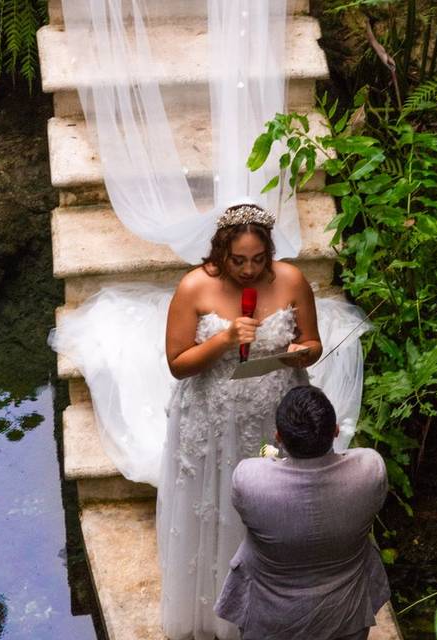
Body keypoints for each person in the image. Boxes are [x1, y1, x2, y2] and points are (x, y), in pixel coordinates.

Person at [158, 202, 323, 640]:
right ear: (220, 253)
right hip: (214, 413)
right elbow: (177, 363)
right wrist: (225, 338)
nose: (249, 269)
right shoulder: (194, 287)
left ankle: (280, 602)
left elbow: (313, 341)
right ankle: (221, 611)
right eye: (238, 260)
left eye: (258, 259)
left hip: (276, 412)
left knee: (277, 503)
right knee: (219, 505)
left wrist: (302, 352)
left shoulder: (292, 279)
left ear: (269, 251)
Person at [215, 385, 391, 640]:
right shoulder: (370, 469)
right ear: (335, 432)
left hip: (272, 616)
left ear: (278, 436)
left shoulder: (249, 478)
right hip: (344, 613)